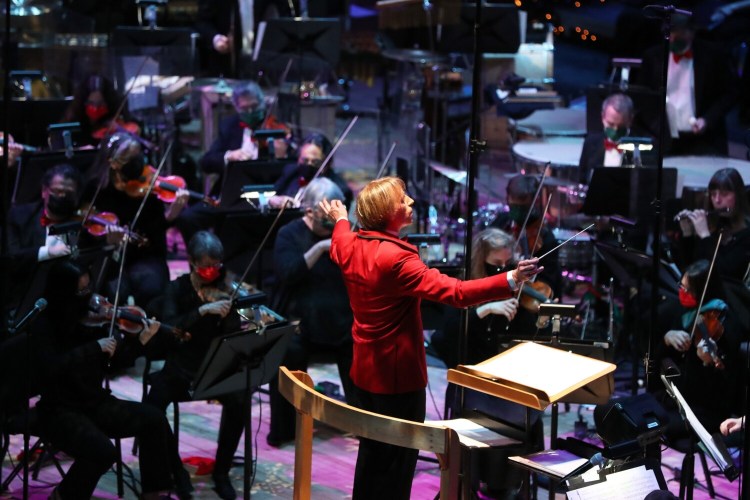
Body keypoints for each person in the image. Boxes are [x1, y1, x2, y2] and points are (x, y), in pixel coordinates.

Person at [319, 176, 542, 499]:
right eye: (402, 199)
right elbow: (457, 292)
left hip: (363, 372)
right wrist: (510, 277)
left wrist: (340, 216)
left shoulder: (350, 245)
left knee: (371, 455)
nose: (410, 202)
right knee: (398, 463)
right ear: (385, 213)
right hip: (398, 379)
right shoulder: (397, 258)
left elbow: (340, 238)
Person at [31, 259, 174, 499]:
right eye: (81, 291)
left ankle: (154, 493)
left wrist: (139, 343)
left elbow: (112, 365)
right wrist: (92, 349)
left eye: (89, 288)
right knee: (102, 452)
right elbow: (49, 370)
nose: (89, 298)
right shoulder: (44, 325)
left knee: (154, 419)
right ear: (63, 292)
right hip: (60, 411)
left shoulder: (91, 321)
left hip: (94, 403)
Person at [145, 231, 247, 500]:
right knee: (151, 407)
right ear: (190, 262)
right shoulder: (177, 288)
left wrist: (232, 317)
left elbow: (234, 336)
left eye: (216, 266)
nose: (212, 272)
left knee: (240, 400)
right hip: (180, 368)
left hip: (215, 369)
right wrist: (201, 311)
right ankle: (175, 471)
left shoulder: (228, 286)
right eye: (205, 267)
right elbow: (169, 328)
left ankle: (222, 472)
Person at [266, 177, 356, 446]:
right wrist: (319, 248)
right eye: (325, 219)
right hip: (301, 324)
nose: (331, 226)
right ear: (309, 212)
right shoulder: (289, 234)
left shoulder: (342, 231)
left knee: (362, 343)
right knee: (287, 349)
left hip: (340, 322)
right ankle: (284, 429)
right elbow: (288, 273)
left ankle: (361, 421)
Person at [84, 133, 189, 305]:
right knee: (114, 291)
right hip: (109, 259)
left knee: (151, 286)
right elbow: (88, 231)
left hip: (145, 256)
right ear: (113, 162)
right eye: (129, 158)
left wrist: (169, 216)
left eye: (138, 155)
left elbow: (154, 236)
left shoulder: (149, 184)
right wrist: (107, 242)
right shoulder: (96, 189)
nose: (138, 162)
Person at [654, 259, 743, 437]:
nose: (682, 292)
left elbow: (726, 386)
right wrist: (666, 339)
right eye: (682, 286)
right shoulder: (685, 314)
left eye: (688, 289)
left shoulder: (727, 322)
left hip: (705, 410)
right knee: (633, 415)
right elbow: (656, 361)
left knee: (649, 430)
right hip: (677, 398)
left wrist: (707, 363)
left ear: (703, 291)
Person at [639, 14, 736, 156]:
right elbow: (644, 96)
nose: (672, 41)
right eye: (669, 37)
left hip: (702, 139)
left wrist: (707, 119)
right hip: (663, 138)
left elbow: (730, 93)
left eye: (677, 38)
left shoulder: (713, 55)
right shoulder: (652, 56)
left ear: (691, 33)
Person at [491, 174, 562, 302]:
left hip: (524, 305)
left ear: (535, 202)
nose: (518, 210)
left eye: (523, 206)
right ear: (508, 199)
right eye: (514, 204)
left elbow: (546, 287)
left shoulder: (546, 240)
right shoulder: (500, 223)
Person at [674, 168, 750, 281]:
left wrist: (705, 235)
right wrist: (687, 234)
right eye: (713, 194)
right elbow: (690, 267)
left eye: (724, 194)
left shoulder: (746, 235)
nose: (717, 200)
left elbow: (725, 273)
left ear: (738, 195)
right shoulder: (714, 227)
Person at [268, 133, 352, 209]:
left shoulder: (340, 190)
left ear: (327, 163)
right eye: (305, 160)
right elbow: (272, 194)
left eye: (315, 162)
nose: (309, 164)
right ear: (298, 159)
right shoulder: (291, 172)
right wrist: (273, 200)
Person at [578, 93, 645, 184]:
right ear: (603, 117)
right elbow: (581, 180)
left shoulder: (641, 147)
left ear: (630, 120)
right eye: (611, 124)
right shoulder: (590, 142)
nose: (615, 131)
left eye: (621, 126)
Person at [61, 74, 138, 147]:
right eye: (90, 103)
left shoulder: (114, 123)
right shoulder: (72, 123)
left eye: (100, 104)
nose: (95, 108)